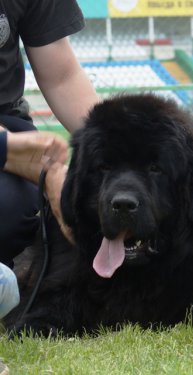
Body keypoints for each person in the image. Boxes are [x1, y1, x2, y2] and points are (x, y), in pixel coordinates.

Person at [0, 0, 99, 318]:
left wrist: (114, 146)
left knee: (11, 209)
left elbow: (62, 76)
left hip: (7, 120)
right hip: (9, 141)